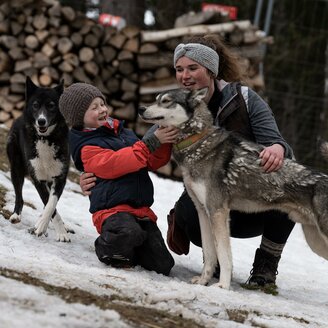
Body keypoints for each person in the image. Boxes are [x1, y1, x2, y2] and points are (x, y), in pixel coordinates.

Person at [80, 34, 295, 289]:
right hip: (205, 197)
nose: (185, 75)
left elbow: (279, 145)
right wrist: (94, 173)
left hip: (250, 200)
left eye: (193, 68)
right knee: (192, 216)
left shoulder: (245, 100)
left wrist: (278, 149)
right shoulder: (175, 106)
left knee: (290, 187)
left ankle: (265, 266)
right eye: (179, 69)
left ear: (211, 71)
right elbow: (140, 154)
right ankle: (211, 262)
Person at [59, 82, 178, 276]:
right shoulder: (87, 146)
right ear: (79, 118)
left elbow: (150, 160)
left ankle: (131, 250)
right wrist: (151, 141)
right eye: (94, 107)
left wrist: (162, 143)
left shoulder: (123, 133)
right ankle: (107, 248)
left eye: (102, 104)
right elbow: (115, 164)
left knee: (163, 264)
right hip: (112, 211)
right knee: (128, 232)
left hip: (141, 210)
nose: (102, 110)